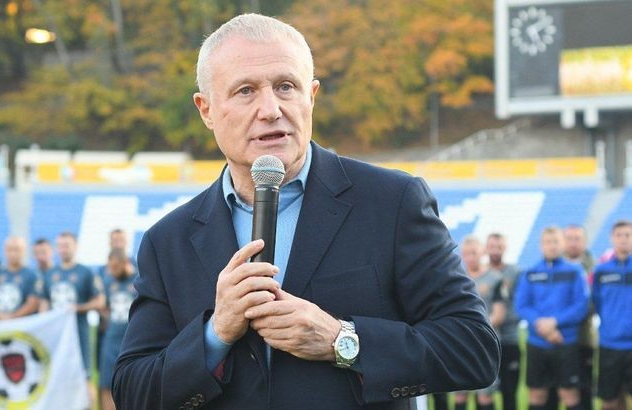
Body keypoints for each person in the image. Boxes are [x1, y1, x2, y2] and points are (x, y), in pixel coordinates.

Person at [112, 13, 500, 410]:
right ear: (205, 109)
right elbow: (132, 391)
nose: (270, 109)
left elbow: (473, 348)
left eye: (286, 86)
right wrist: (215, 334)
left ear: (311, 95)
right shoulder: (167, 241)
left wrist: (342, 341)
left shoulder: (393, 202)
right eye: (245, 91)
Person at [515, 226, 590, 410]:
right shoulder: (531, 273)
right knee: (537, 395)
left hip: (566, 342)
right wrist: (541, 325)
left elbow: (581, 305)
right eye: (548, 242)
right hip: (537, 343)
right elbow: (521, 305)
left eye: (556, 241)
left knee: (569, 394)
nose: (552, 246)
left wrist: (555, 322)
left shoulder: (575, 272)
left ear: (562, 244)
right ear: (541, 245)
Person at [40, 231, 105, 405]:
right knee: (58, 381)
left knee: (85, 380)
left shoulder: (85, 272)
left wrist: (78, 308)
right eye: (60, 246)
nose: (63, 249)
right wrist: (43, 321)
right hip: (57, 337)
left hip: (79, 335)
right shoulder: (50, 274)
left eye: (67, 245)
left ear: (75, 247)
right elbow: (44, 302)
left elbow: (100, 301)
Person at [454, 236, 504, 410]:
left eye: (474, 253)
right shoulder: (455, 279)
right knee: (459, 392)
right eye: (466, 253)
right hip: (461, 343)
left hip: (485, 343)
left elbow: (498, 314)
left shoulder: (495, 278)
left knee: (485, 394)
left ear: (482, 253)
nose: (470, 257)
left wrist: (476, 329)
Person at [592, 220, 632, 410]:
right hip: (610, 343)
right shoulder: (602, 271)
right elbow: (597, 302)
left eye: (628, 235)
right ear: (612, 238)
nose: (623, 239)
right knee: (609, 401)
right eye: (619, 235)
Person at [486, 232, 521, 410]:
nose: (495, 251)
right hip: (487, 341)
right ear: (486, 248)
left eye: (499, 247)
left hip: (509, 339)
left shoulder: (514, 273)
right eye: (492, 246)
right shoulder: (480, 274)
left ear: (505, 248)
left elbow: (520, 303)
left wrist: (502, 318)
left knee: (509, 392)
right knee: (485, 393)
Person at [99, 249, 137, 410]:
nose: (112, 271)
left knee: (132, 385)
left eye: (115, 267)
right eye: (110, 267)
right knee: (106, 384)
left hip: (132, 341)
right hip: (111, 340)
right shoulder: (109, 282)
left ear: (125, 264)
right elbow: (103, 305)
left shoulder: (139, 281)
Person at [562, 224, 595, 410]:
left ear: (585, 242)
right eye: (569, 239)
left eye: (577, 239)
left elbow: (592, 304)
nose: (573, 243)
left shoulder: (595, 268)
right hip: (555, 339)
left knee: (585, 389)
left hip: (583, 338)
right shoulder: (553, 266)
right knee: (555, 391)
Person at [0, 236, 42, 320]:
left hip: (23, 325)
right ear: (4, 251)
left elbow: (32, 303)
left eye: (16, 250)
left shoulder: (32, 275)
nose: (13, 254)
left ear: (24, 251)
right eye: (10, 249)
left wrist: (12, 318)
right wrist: (1, 317)